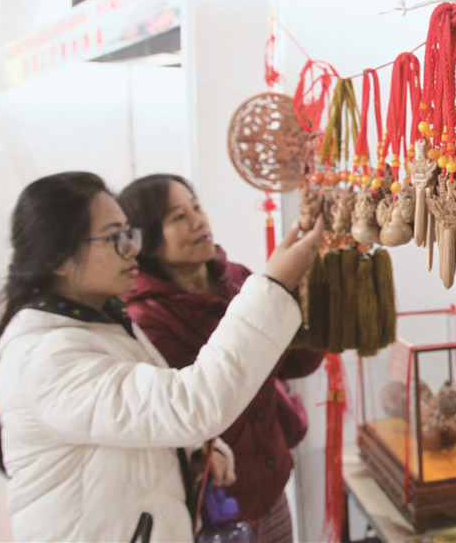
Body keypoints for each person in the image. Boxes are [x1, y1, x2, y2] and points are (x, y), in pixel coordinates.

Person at [0, 171, 324, 542]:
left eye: (128, 234)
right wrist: (275, 285)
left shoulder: (103, 325)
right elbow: (190, 404)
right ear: (58, 256)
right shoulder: (45, 358)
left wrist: (194, 451)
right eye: (114, 238)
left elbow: (141, 418)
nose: (130, 248)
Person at [117, 173, 324, 543]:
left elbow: (295, 363)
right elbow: (197, 407)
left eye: (196, 207)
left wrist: (315, 296)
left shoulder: (238, 279)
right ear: (146, 238)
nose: (198, 220)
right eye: (178, 217)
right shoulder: (146, 322)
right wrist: (276, 288)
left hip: (272, 490)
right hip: (216, 508)